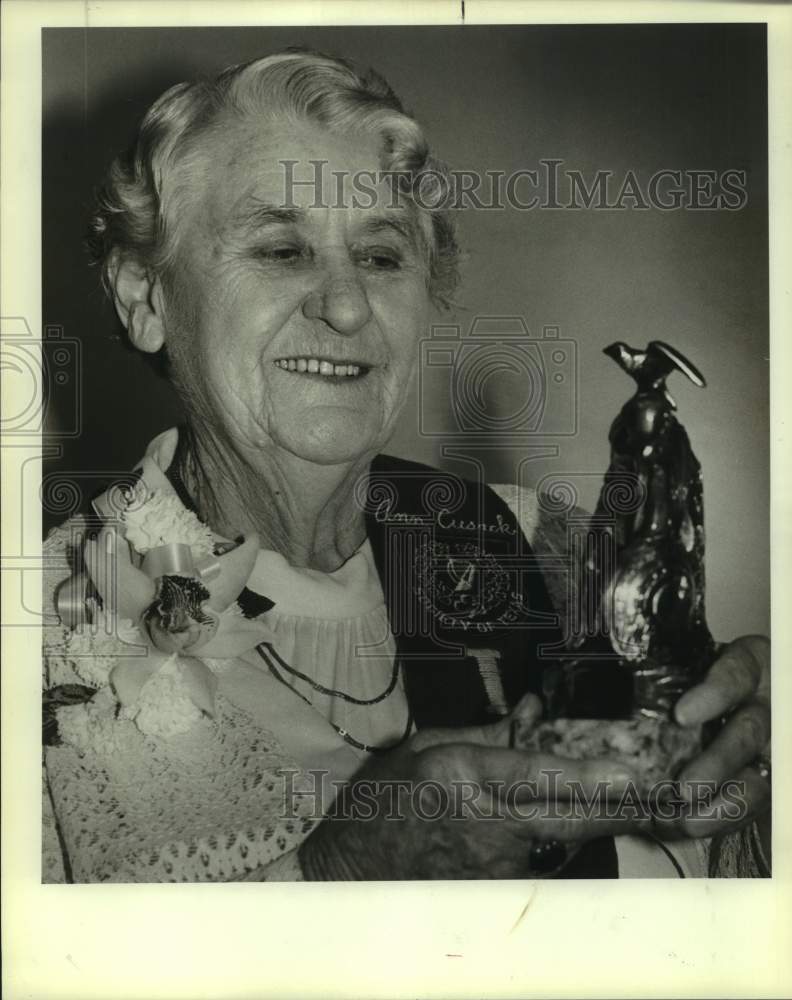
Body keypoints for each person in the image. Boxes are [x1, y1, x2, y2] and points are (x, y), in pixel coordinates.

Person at [42, 49, 771, 882]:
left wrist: (756, 769)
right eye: (282, 249)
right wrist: (340, 873)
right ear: (145, 297)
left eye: (383, 257)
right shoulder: (47, 632)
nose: (348, 306)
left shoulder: (553, 549)